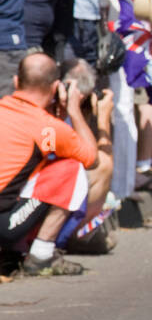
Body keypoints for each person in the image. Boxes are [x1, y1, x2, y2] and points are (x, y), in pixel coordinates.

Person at [0, 53, 101, 275]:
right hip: (4, 226)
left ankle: (14, 251)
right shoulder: (46, 127)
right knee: (71, 168)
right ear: (56, 86)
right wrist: (74, 110)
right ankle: (41, 255)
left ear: (16, 82)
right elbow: (92, 159)